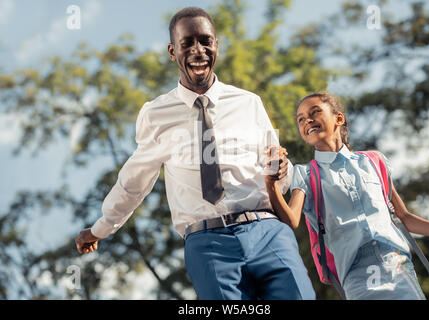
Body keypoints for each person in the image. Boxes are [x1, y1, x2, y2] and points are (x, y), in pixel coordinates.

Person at [75, 7, 315, 300]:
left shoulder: (249, 103)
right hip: (207, 243)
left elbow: (279, 169)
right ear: (172, 51)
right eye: (187, 43)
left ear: (216, 45)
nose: (198, 50)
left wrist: (281, 170)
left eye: (205, 41)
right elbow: (134, 182)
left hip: (267, 231)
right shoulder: (155, 114)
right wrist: (101, 228)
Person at [265, 92, 429, 300]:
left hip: (396, 265)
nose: (307, 120)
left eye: (315, 112)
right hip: (355, 275)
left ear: (339, 119)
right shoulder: (305, 174)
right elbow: (290, 220)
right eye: (301, 119)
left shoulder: (374, 161)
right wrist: (270, 183)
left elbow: (404, 218)